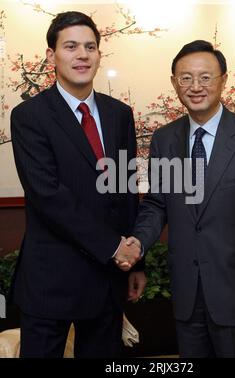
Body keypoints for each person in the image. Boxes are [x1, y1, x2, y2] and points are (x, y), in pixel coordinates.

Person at [126, 40, 235, 358]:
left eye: (205, 77)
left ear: (224, 80)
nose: (195, 86)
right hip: (187, 291)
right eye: (185, 77)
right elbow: (157, 202)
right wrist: (137, 243)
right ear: (174, 83)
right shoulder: (165, 139)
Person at [10, 11, 146, 358]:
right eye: (70, 46)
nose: (82, 55)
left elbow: (126, 189)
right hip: (51, 281)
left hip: (107, 279)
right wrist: (114, 247)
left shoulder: (119, 114)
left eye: (90, 47)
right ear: (51, 56)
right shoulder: (30, 116)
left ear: (99, 55)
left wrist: (136, 261)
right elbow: (48, 196)